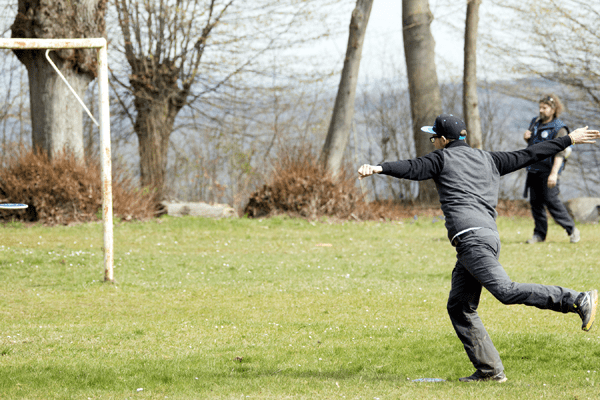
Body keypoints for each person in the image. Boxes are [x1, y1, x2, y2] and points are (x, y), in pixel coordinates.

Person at [357, 114, 598, 383]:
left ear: (444, 139)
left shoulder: (441, 159)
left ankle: (576, 299)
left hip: (472, 241)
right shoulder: (490, 159)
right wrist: (567, 139)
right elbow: (530, 154)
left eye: (433, 137)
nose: (432, 141)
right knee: (459, 306)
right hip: (485, 238)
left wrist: (378, 168)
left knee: (505, 291)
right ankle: (489, 371)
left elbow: (411, 167)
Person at [523, 94, 579, 244]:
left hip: (549, 171)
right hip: (534, 169)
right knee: (536, 203)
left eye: (544, 107)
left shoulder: (559, 128)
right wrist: (527, 138)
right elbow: (534, 145)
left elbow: (561, 154)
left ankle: (572, 230)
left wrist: (554, 174)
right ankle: (539, 235)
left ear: (553, 109)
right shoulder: (535, 122)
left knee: (552, 201)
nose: (541, 110)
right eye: (540, 107)